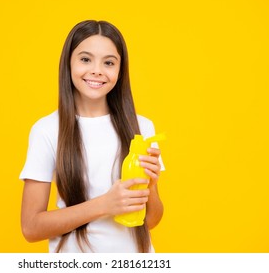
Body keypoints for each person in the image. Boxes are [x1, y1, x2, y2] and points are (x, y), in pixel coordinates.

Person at [19, 20, 165, 253]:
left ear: (120, 70)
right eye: (85, 59)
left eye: (109, 62)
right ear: (68, 63)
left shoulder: (142, 128)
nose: (97, 70)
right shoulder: (46, 130)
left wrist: (151, 185)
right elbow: (31, 227)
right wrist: (105, 205)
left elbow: (151, 221)